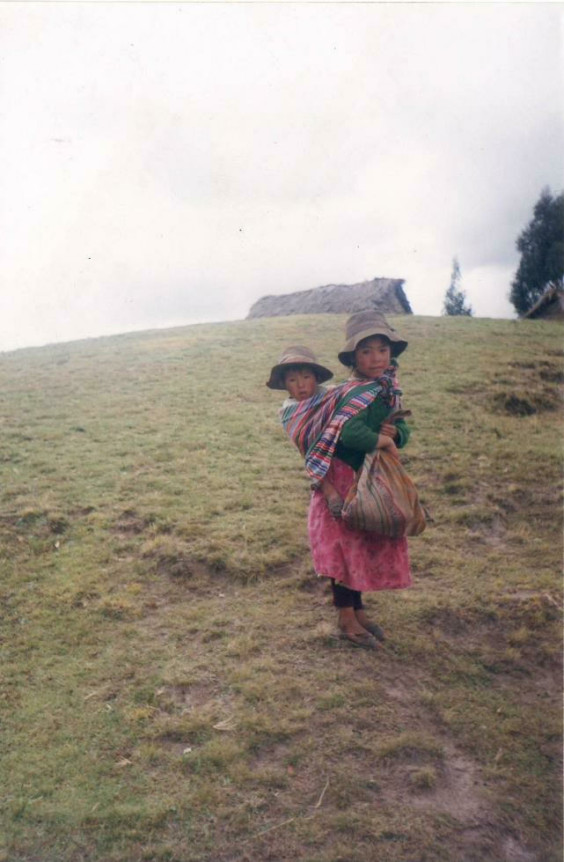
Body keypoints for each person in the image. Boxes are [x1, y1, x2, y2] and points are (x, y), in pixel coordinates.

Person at [307, 311, 412, 650]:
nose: (376, 358)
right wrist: (382, 441)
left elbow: (404, 429)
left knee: (359, 549)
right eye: (366, 352)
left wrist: (397, 433)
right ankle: (346, 617)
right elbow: (349, 433)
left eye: (382, 350)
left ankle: (359, 611)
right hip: (343, 479)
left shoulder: (387, 389)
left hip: (370, 478)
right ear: (354, 357)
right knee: (343, 549)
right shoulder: (353, 393)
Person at [266, 346, 343, 516]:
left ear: (316, 378)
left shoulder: (333, 396)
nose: (301, 385)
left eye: (306, 377)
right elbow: (307, 452)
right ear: (285, 384)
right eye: (292, 380)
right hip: (324, 472)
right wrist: (329, 492)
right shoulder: (290, 414)